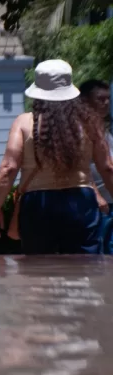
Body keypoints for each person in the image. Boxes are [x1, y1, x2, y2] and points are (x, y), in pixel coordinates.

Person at [0, 60, 113, 254]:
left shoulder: (23, 123)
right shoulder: (89, 122)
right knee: (85, 265)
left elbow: (9, 168)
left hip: (37, 203)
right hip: (80, 201)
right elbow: (107, 168)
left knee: (38, 268)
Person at [81, 79, 113, 251]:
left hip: (109, 199)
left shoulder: (104, 129)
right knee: (102, 253)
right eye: (100, 99)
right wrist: (96, 195)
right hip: (98, 204)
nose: (106, 103)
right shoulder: (81, 130)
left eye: (108, 99)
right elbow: (80, 167)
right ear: (85, 101)